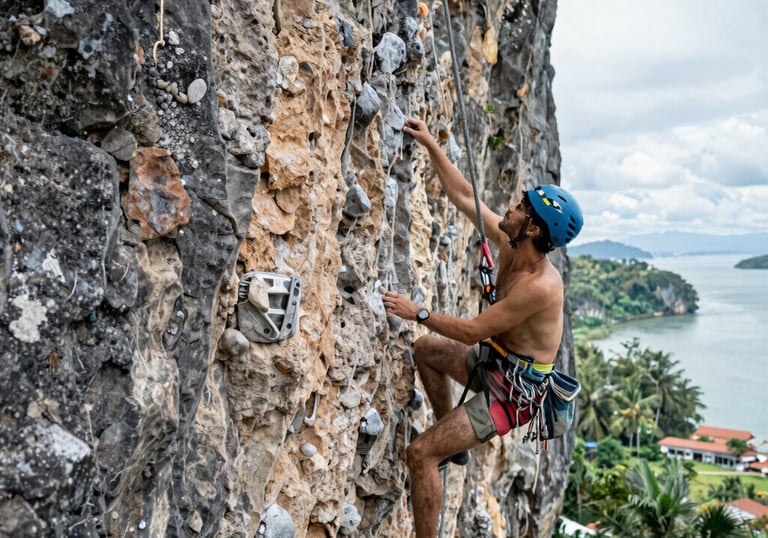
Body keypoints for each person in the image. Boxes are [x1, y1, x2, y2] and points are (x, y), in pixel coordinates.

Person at [382, 117, 584, 538]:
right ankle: (451, 448)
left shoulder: (540, 288)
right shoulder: (512, 243)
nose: (510, 207)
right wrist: (430, 144)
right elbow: (465, 195)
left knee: (419, 454)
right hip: (495, 363)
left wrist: (416, 311)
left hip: (511, 394)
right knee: (426, 351)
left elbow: (473, 331)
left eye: (520, 207)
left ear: (532, 229)